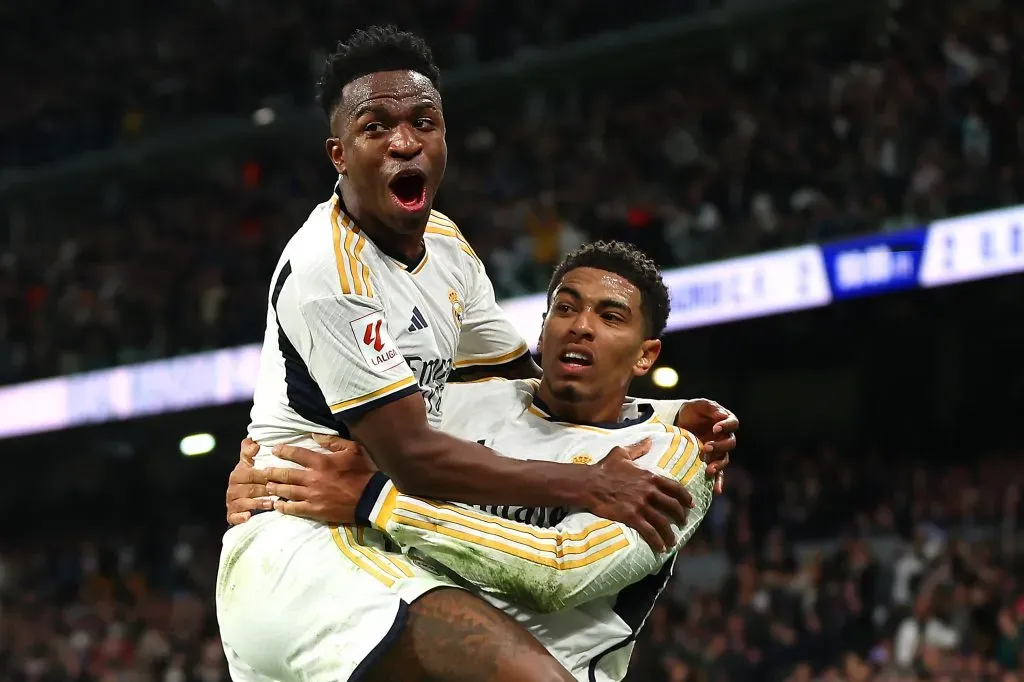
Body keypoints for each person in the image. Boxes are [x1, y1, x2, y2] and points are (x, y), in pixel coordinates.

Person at [221, 24, 739, 681]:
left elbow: (515, 381)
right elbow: (412, 457)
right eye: (375, 126)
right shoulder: (330, 270)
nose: (404, 141)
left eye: (422, 122)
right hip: (304, 549)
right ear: (339, 154)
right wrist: (591, 482)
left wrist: (667, 413)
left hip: (363, 546)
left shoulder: (448, 251)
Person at [221, 241, 716, 682]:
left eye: (610, 317)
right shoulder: (455, 404)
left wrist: (378, 501)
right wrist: (261, 480)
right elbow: (332, 466)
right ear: (542, 330)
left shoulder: (669, 457)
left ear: (645, 356)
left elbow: (562, 570)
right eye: (565, 308)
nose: (581, 326)